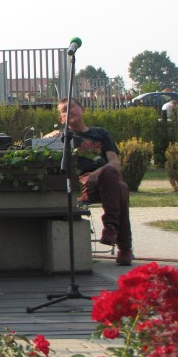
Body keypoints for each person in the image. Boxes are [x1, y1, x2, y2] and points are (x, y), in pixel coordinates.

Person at [45, 98, 133, 265]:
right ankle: (124, 247)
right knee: (121, 188)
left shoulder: (101, 134)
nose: (68, 112)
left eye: (71, 107)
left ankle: (111, 228)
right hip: (82, 184)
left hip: (107, 182)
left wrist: (99, 173)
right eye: (63, 110)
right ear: (61, 119)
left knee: (117, 183)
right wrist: (47, 138)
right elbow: (39, 151)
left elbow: (115, 163)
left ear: (83, 109)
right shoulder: (63, 137)